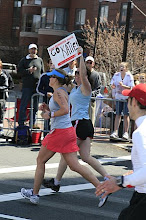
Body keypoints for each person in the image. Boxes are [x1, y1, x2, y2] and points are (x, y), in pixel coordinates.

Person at [20, 55, 103, 205]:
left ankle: (34, 194)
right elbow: (61, 107)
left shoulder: (59, 92)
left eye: (51, 77)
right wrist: (47, 108)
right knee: (74, 165)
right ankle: (101, 188)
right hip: (66, 131)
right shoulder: (60, 91)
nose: (49, 78)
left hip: (60, 132)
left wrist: (49, 114)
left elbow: (65, 110)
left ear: (56, 79)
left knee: (40, 160)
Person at [42, 51, 109, 208]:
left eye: (78, 73)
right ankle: (107, 177)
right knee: (84, 157)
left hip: (79, 123)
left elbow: (84, 75)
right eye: (76, 73)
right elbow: (63, 80)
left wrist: (80, 57)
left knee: (70, 158)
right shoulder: (76, 88)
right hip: (83, 124)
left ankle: (99, 186)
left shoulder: (85, 87)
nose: (77, 75)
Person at [96, 83, 146, 219]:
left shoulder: (141, 132)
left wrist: (120, 182)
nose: (127, 104)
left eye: (128, 99)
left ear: (134, 102)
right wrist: (124, 181)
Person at [17, 43, 44, 126]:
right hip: (27, 86)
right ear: (29, 50)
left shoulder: (39, 60)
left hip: (36, 87)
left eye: (35, 49)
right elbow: (19, 72)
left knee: (35, 107)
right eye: (32, 49)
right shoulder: (24, 60)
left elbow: (42, 72)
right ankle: (21, 123)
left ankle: (32, 123)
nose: (33, 51)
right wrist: (28, 71)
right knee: (24, 105)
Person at [110, 62, 134, 140]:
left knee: (126, 115)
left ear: (126, 68)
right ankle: (115, 132)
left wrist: (123, 86)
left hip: (126, 98)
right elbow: (112, 84)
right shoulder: (116, 75)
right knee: (118, 114)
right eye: (120, 66)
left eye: (123, 67)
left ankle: (126, 133)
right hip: (118, 97)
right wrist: (113, 86)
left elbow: (131, 87)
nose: (121, 68)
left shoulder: (129, 76)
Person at [36, 58, 54, 136]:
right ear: (48, 64)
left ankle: (54, 137)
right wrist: (46, 93)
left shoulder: (60, 75)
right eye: (50, 63)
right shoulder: (44, 76)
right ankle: (46, 136)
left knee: (55, 118)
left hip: (57, 101)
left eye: (54, 64)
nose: (52, 65)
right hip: (47, 100)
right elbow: (38, 89)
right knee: (46, 119)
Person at [85, 56, 102, 126]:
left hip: (91, 100)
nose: (89, 64)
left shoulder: (96, 75)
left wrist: (91, 94)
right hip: (82, 99)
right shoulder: (82, 74)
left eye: (90, 62)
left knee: (91, 118)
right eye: (87, 62)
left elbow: (98, 88)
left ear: (93, 64)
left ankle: (90, 133)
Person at [0, 59, 14, 136]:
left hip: (2, 96)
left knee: (0, 108)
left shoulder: (4, 74)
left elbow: (9, 85)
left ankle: (1, 128)